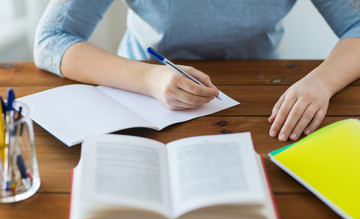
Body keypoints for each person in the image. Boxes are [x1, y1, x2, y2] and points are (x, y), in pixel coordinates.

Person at [34, 0, 360, 142]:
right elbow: (50, 40)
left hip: (263, 100)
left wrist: (322, 80)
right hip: (139, 100)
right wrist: (149, 77)